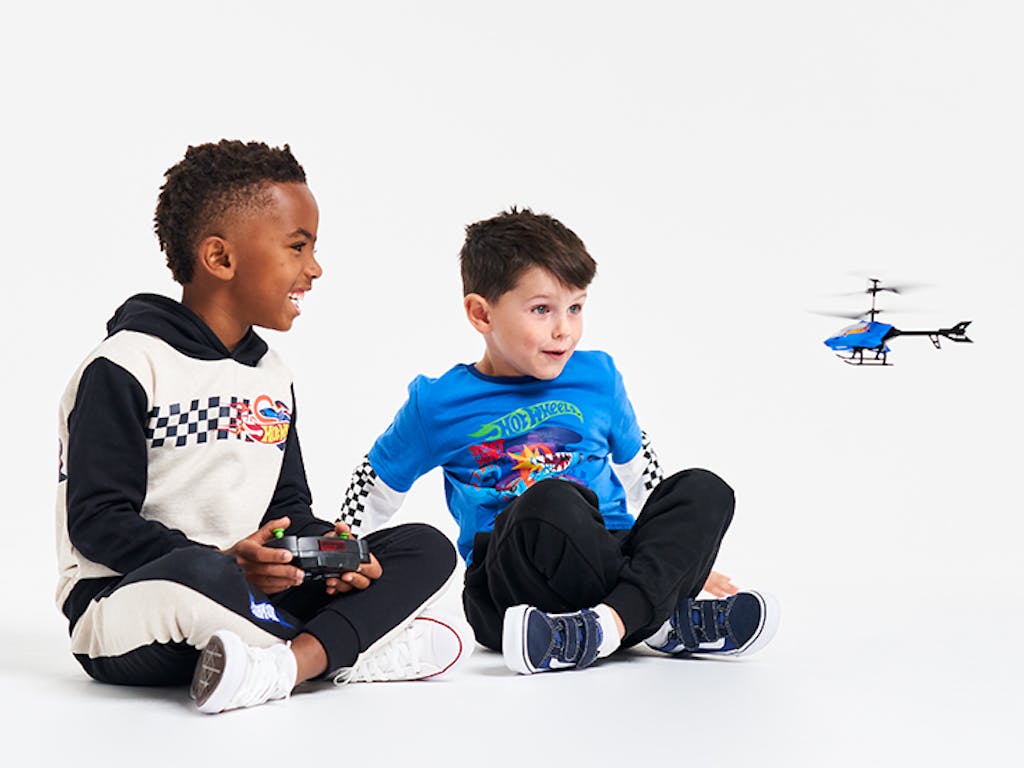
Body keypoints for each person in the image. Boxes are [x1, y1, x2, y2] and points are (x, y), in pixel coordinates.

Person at [54, 140, 471, 714]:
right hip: (132, 602)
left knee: (424, 546)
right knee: (200, 573)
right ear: (221, 259)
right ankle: (345, 650)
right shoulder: (126, 365)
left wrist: (331, 554)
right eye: (298, 247)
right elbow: (98, 524)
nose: (315, 268)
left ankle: (284, 665)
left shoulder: (272, 376)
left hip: (250, 592)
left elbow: (289, 513)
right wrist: (229, 559)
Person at [337, 207, 778, 674]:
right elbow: (377, 481)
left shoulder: (599, 377)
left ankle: (606, 626)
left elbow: (642, 473)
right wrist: (340, 554)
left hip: (612, 549)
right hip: (509, 576)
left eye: (576, 307)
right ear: (481, 313)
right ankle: (662, 619)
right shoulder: (439, 402)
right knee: (555, 500)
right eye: (541, 309)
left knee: (704, 489)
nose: (563, 329)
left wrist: (674, 559)